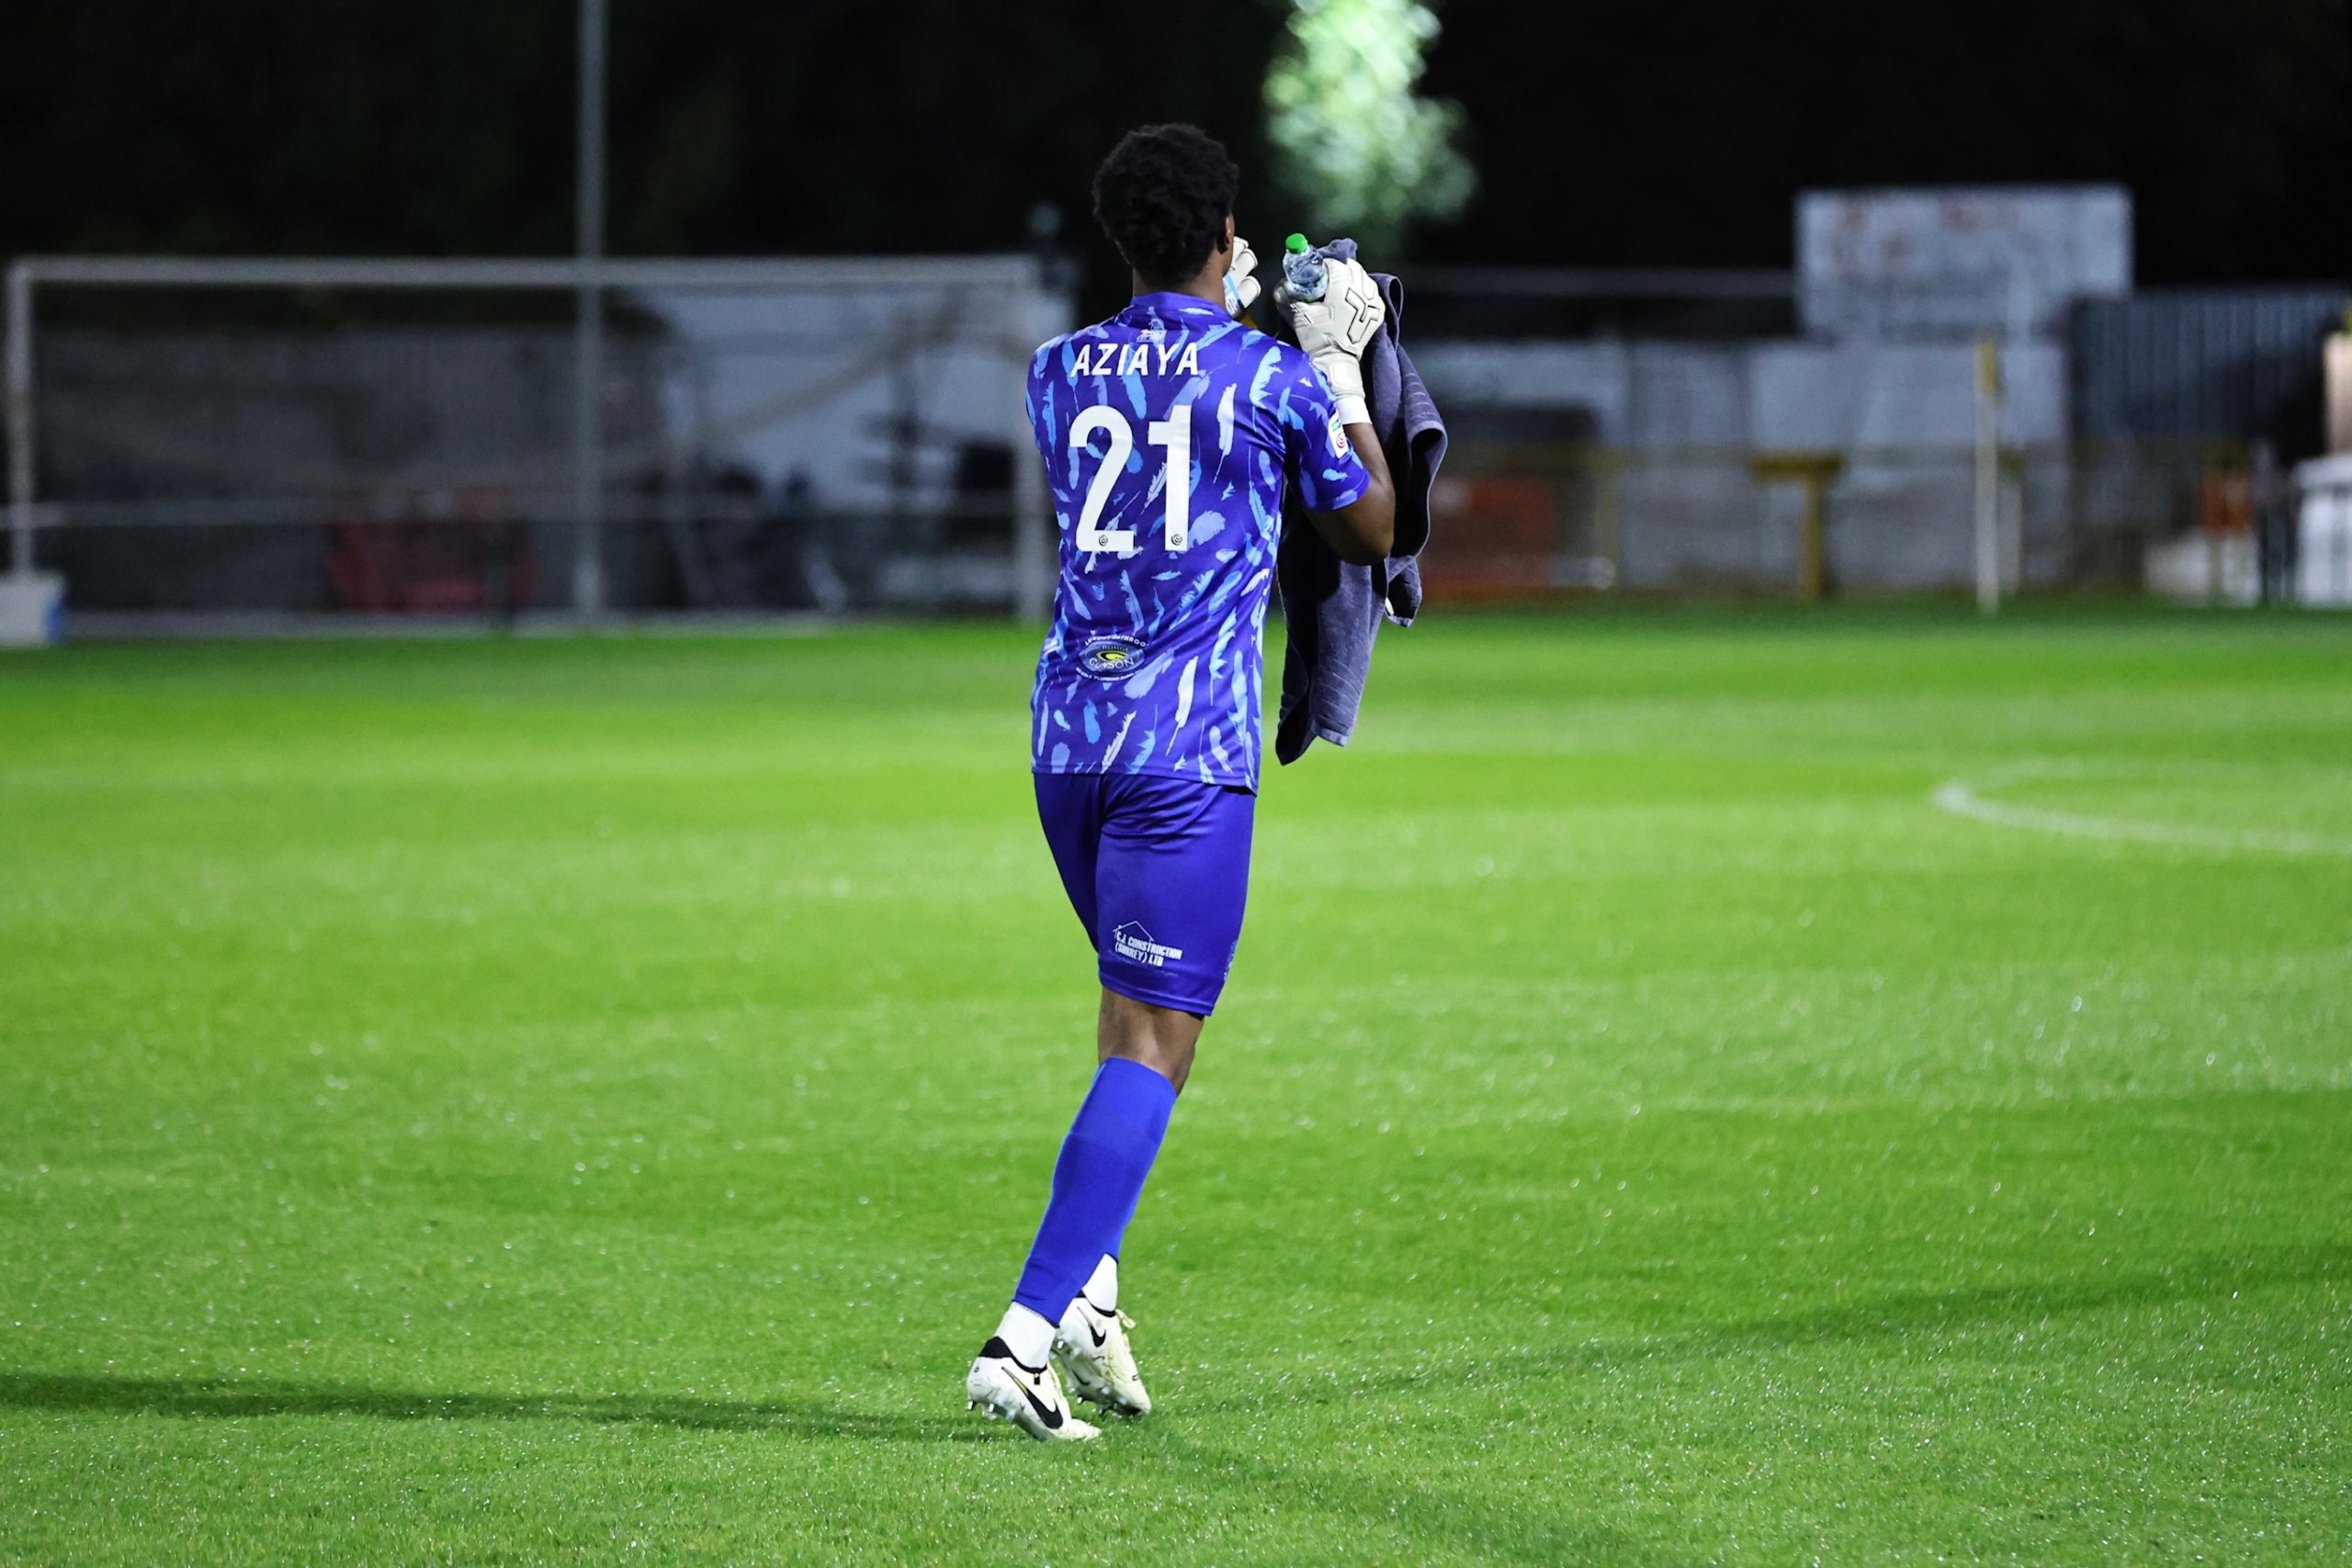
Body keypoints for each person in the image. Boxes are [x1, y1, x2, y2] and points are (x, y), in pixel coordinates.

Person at [965, 123, 1396, 1440]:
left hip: (1068, 744)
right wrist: (1338, 366)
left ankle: (1091, 1298)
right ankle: (1022, 1339)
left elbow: (1158, 401)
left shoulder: (1053, 371)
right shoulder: (1271, 376)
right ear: (1224, 234)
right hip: (1184, 754)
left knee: (1133, 1027)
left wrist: (1219, 310)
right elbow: (1371, 525)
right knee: (1159, 1039)